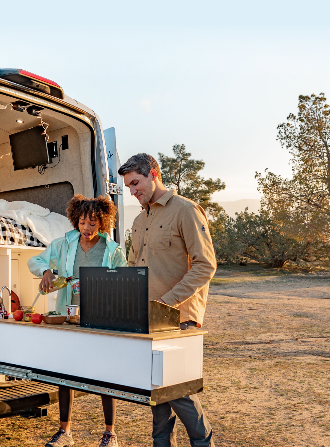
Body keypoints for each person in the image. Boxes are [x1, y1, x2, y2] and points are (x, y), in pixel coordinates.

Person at [118, 153, 217, 447]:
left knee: (177, 391)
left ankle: (204, 443)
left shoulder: (185, 210)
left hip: (179, 318)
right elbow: (134, 269)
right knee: (157, 399)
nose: (133, 192)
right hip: (147, 319)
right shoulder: (137, 222)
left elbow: (205, 265)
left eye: (136, 183)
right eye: (128, 187)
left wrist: (166, 302)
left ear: (154, 174)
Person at [28, 194, 127, 447]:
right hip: (68, 317)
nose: (87, 228)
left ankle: (110, 434)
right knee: (65, 374)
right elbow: (35, 260)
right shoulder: (64, 244)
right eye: (83, 222)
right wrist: (47, 270)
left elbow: (124, 280)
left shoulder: (112, 250)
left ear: (102, 223)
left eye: (93, 223)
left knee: (105, 375)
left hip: (101, 318)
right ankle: (65, 432)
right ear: (76, 220)